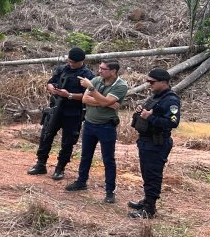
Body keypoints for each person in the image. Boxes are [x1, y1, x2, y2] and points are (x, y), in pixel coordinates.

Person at [64, 59, 129, 203]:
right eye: (99, 68)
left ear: (113, 71)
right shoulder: (96, 80)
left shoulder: (121, 85)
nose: (99, 71)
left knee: (108, 159)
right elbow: (85, 99)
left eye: (103, 69)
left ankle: (110, 191)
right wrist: (104, 102)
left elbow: (104, 101)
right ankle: (81, 182)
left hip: (106, 126)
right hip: (89, 124)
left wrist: (95, 92)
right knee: (86, 155)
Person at [27, 48, 93, 180]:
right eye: (69, 61)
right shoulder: (62, 69)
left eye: (73, 62)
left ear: (82, 61)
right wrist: (51, 87)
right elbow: (51, 82)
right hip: (56, 108)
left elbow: (89, 95)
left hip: (73, 112)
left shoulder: (88, 75)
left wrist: (69, 95)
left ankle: (60, 168)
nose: (71, 64)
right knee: (46, 136)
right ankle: (41, 164)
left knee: (68, 141)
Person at [128, 68, 181, 219]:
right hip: (146, 141)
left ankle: (149, 208)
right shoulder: (156, 96)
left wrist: (149, 117)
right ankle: (146, 200)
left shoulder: (171, 100)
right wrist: (142, 111)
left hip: (157, 143)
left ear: (163, 82)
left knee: (153, 175)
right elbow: (150, 113)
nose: (148, 84)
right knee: (147, 173)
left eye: (151, 82)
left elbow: (173, 122)